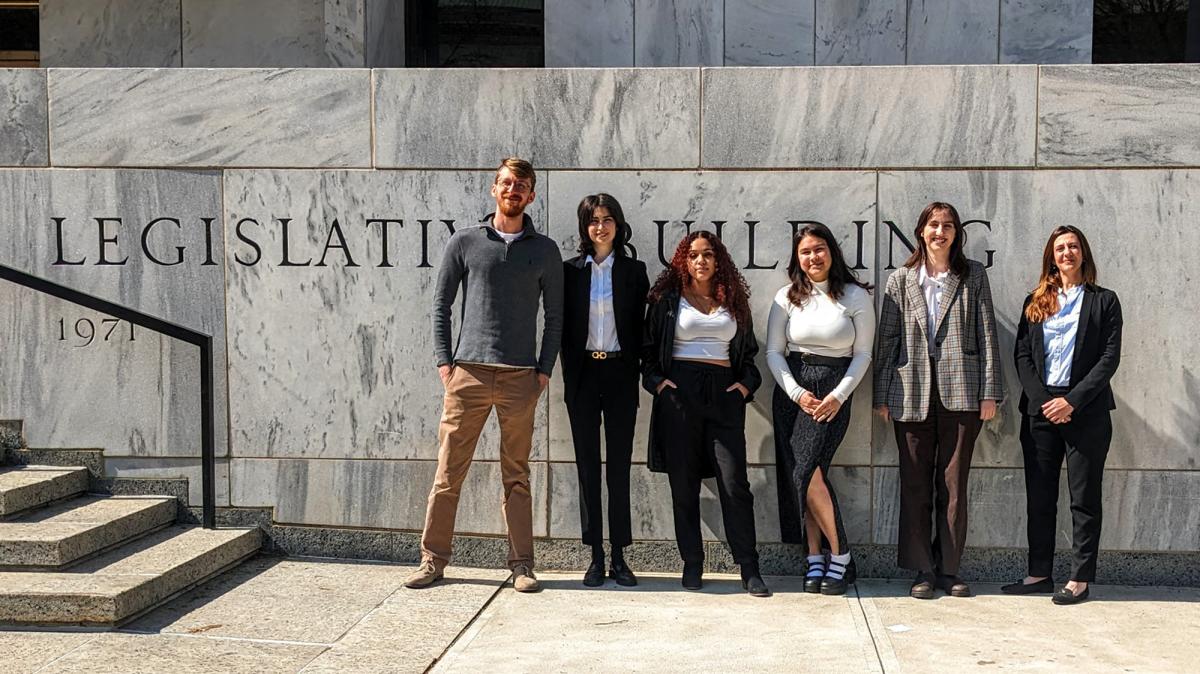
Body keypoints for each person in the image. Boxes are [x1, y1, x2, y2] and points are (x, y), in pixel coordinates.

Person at [405, 157, 563, 593]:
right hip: (468, 375)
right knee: (448, 472)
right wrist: (445, 362)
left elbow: (556, 318)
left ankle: (522, 565)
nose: (513, 190)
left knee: (517, 473)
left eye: (522, 186)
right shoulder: (465, 241)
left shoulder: (545, 250)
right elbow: (440, 305)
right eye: (507, 183)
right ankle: (432, 560)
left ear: (531, 195)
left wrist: (543, 372)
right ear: (494, 189)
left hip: (520, 378)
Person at [874, 201, 1003, 600]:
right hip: (909, 392)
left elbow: (986, 335)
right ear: (921, 231)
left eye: (948, 225)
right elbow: (888, 339)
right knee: (914, 483)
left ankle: (949, 569)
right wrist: (881, 395)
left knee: (953, 484)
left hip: (962, 393)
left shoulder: (972, 275)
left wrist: (989, 392)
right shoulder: (901, 279)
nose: (940, 232)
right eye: (933, 224)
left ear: (956, 234)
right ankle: (922, 570)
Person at [642, 230, 768, 596]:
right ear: (684, 260)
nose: (701, 261)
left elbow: (748, 355)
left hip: (723, 395)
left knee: (734, 484)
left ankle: (749, 566)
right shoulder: (667, 301)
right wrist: (660, 385)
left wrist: (744, 386)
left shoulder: (734, 301)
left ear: (718, 260)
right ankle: (692, 563)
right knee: (683, 485)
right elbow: (648, 352)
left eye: (708, 254)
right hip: (680, 395)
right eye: (694, 255)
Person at [1003, 226, 1122, 605]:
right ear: (1051, 257)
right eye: (1059, 248)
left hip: (1085, 411)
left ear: (1083, 253)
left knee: (1084, 497)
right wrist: (1042, 401)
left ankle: (1079, 579)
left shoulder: (1105, 301)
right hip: (1040, 411)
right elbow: (1021, 354)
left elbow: (1109, 359)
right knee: (1040, 495)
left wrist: (1071, 401)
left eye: (1072, 246)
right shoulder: (1036, 300)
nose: (1066, 253)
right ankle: (1039, 573)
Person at [766, 223, 874, 596]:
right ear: (798, 259)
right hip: (793, 392)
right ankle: (814, 557)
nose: (814, 257)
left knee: (808, 473)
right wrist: (795, 392)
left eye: (819, 249)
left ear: (832, 251)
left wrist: (839, 396)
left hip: (833, 390)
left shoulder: (856, 297)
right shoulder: (786, 297)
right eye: (805, 252)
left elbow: (863, 355)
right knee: (804, 477)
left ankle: (840, 556)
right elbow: (773, 352)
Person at [560, 193, 649, 587]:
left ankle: (620, 556)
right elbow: (559, 327)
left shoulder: (634, 271)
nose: (601, 226)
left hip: (619, 376)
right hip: (582, 376)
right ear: (584, 227)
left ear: (618, 223)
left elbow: (642, 329)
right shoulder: (569, 271)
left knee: (618, 467)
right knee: (587, 467)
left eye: (607, 218)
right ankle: (595, 555)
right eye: (593, 220)